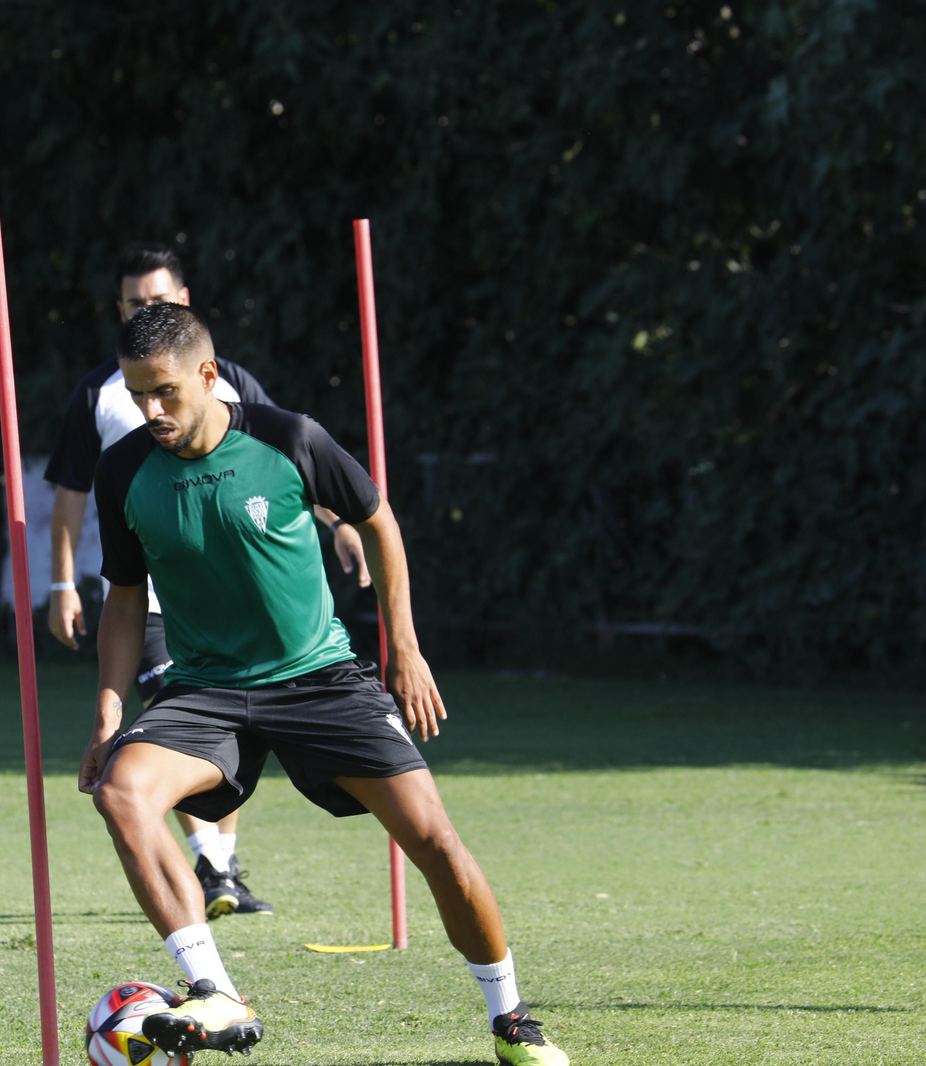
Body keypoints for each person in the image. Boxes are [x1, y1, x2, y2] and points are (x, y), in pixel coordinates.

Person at [79, 303, 569, 1065]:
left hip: (319, 680)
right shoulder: (124, 469)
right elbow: (123, 594)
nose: (151, 411)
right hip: (204, 690)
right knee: (121, 790)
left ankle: (512, 1021)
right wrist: (109, 712)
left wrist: (402, 644)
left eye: (165, 392)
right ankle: (214, 991)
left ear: (208, 375)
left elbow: (379, 521)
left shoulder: (289, 438)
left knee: (435, 840)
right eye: (138, 394)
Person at [44, 241, 370, 920]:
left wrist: (339, 521)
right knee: (178, 706)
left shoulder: (229, 381)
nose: (146, 310)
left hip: (238, 597)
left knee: (233, 723)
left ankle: (218, 866)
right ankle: (213, 870)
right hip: (151, 591)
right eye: (134, 302)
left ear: (183, 303)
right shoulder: (98, 394)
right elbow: (72, 490)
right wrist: (62, 582)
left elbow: (279, 461)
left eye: (157, 299)